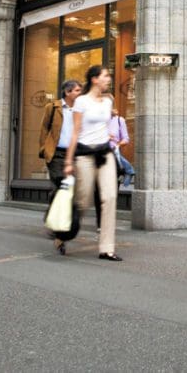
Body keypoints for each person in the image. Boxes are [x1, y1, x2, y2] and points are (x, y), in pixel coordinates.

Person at [64, 65, 121, 261]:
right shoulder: (81, 101)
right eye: (105, 76)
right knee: (82, 200)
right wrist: (69, 161)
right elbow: (75, 131)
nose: (109, 79)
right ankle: (63, 231)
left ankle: (107, 248)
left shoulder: (108, 100)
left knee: (110, 197)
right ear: (95, 79)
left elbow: (105, 121)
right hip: (84, 155)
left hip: (105, 153)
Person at [39, 80, 82, 254]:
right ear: (68, 92)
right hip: (56, 154)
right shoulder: (53, 107)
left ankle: (55, 219)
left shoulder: (81, 109)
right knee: (62, 185)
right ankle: (59, 227)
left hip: (75, 154)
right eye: (77, 90)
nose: (80, 93)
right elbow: (44, 129)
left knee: (66, 190)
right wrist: (44, 149)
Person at [108, 106, 135, 189]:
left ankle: (128, 170)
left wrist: (118, 145)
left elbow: (126, 139)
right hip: (98, 150)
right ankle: (128, 169)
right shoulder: (96, 120)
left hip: (113, 149)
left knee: (114, 153)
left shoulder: (119, 120)